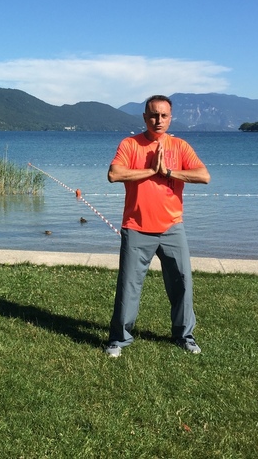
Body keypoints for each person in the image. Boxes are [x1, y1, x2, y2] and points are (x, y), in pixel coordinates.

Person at [105, 95, 210, 357]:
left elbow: (204, 176)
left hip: (172, 228)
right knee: (128, 286)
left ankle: (185, 336)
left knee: (182, 283)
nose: (158, 120)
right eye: (153, 115)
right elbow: (114, 174)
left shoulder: (180, 146)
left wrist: (169, 172)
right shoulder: (131, 144)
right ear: (144, 117)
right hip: (136, 227)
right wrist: (151, 171)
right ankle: (119, 339)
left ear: (170, 117)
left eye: (163, 115)